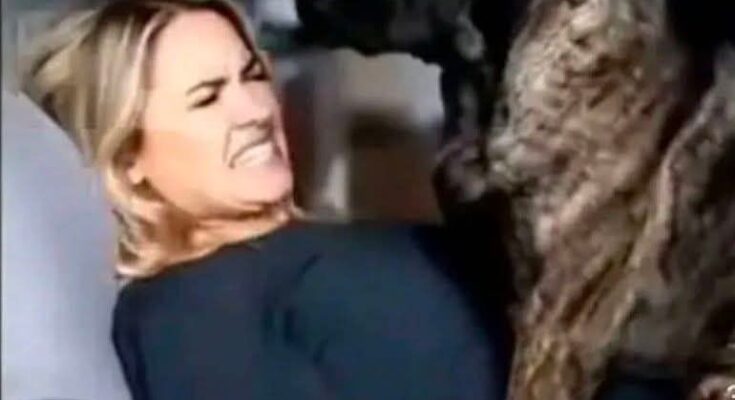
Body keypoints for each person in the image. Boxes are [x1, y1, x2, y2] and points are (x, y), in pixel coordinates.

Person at [20, 1, 685, 399]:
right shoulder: (189, 303)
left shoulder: (321, 250)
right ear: (128, 161)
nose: (254, 108)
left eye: (251, 75)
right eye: (207, 98)